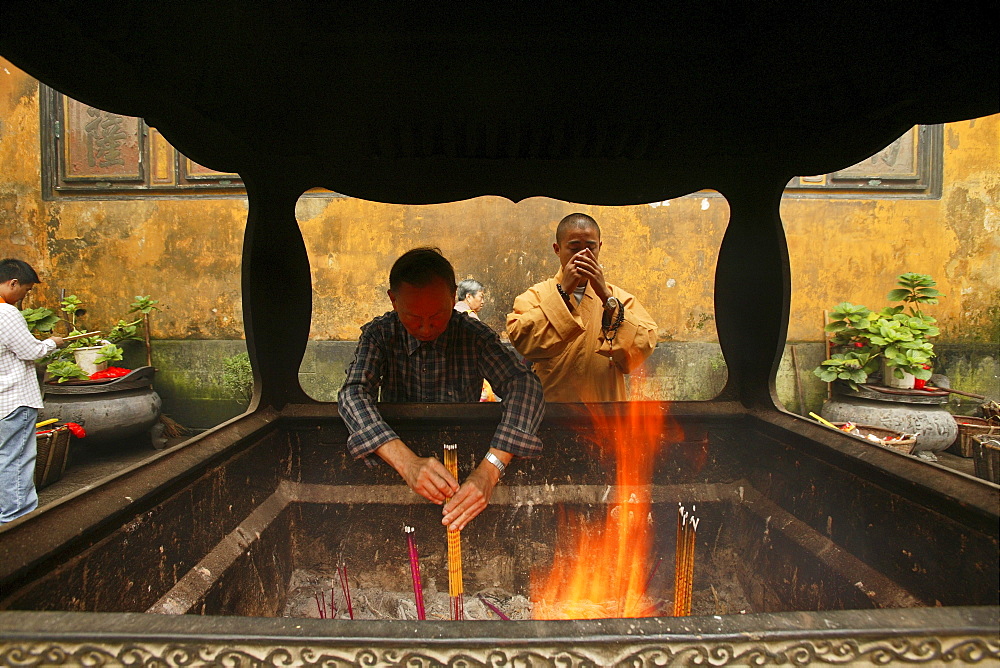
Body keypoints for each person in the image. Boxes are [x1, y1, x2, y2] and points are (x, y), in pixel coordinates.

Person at [338, 248, 544, 531]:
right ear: (393, 300)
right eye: (413, 318)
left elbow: (524, 386)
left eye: (437, 316)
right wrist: (406, 462)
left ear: (453, 296)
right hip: (395, 467)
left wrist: (489, 470)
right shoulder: (380, 335)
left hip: (464, 469)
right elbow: (353, 394)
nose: (425, 329)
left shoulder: (474, 337)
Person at [506, 213, 658, 402]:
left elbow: (644, 344)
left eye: (591, 248)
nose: (584, 255)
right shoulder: (536, 296)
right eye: (574, 248)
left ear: (600, 247)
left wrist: (606, 297)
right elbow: (524, 340)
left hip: (605, 410)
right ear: (557, 249)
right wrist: (562, 292)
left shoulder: (618, 297)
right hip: (551, 409)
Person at [0, 259, 65, 523]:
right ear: (13, 283)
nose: (24, 296)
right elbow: (31, 351)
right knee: (16, 461)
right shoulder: (6, 313)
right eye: (25, 290)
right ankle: (18, 522)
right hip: (14, 398)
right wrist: (52, 343)